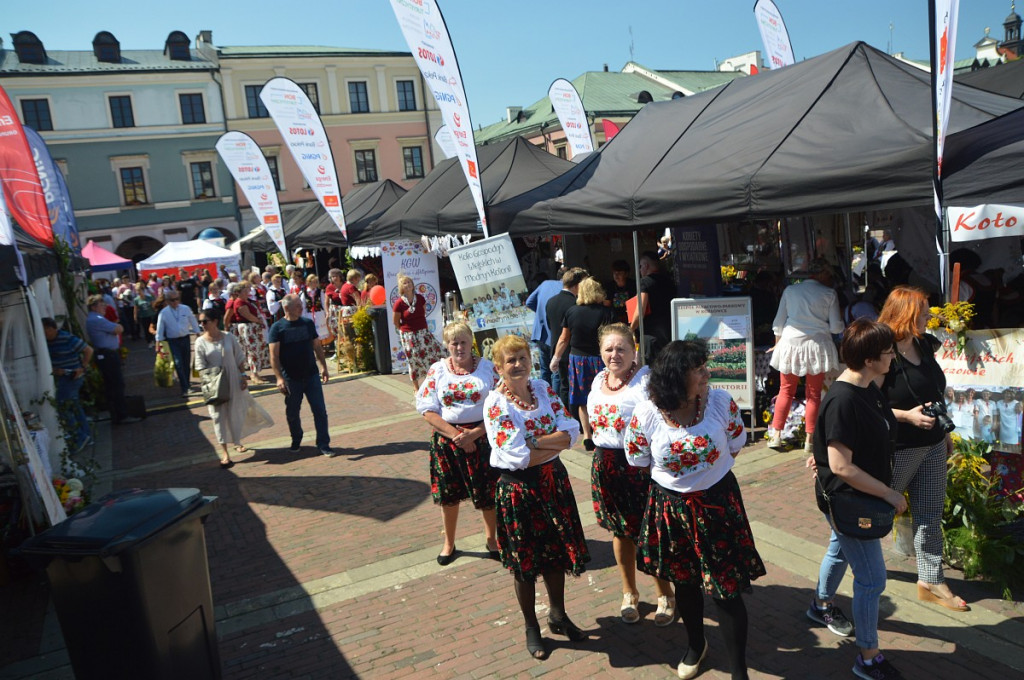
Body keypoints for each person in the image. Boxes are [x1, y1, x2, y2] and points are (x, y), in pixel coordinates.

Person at [624, 340, 762, 680]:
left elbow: (735, 442)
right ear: (674, 378)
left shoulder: (719, 402)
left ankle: (739, 671)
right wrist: (679, 482)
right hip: (672, 508)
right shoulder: (647, 413)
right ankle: (695, 644)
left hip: (718, 504)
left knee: (726, 589)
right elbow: (638, 459)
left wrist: (705, 477)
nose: (706, 374)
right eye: (697, 370)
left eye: (705, 367)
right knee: (684, 583)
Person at [809, 318, 908, 680]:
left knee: (838, 549)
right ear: (869, 359)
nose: (893, 357)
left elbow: (858, 429)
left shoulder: (866, 386)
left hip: (856, 498)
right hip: (852, 501)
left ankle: (820, 604)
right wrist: (889, 493)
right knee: (871, 580)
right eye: (887, 352)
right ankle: (867, 657)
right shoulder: (844, 397)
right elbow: (841, 466)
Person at [484, 334, 588, 660]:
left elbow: (572, 430)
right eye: (510, 361)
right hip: (519, 489)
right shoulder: (495, 404)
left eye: (522, 358)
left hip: (552, 481)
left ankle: (558, 614)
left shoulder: (542, 389)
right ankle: (531, 626)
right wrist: (548, 442)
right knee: (525, 563)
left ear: (531, 360)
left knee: (556, 553)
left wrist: (534, 441)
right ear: (499, 368)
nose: (517, 365)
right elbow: (515, 455)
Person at [877, 285, 968, 612]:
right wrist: (905, 417)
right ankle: (845, 567)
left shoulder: (923, 344)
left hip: (930, 445)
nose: (931, 316)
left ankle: (931, 579)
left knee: (930, 515)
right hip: (899, 449)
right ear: (905, 314)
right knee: (875, 515)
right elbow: (863, 403)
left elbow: (935, 389)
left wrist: (943, 430)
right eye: (924, 312)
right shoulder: (881, 350)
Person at [587, 323, 673, 624]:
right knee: (621, 532)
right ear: (600, 352)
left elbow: (664, 422)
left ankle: (665, 594)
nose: (615, 354)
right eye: (608, 349)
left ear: (634, 349)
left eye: (621, 348)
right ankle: (629, 592)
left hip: (641, 467)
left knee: (651, 532)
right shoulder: (599, 379)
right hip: (607, 465)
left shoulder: (646, 381)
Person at [416, 322, 501, 565]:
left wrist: (474, 434)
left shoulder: (488, 368)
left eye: (463, 341)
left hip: (482, 438)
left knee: (488, 492)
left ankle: (491, 539)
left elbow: (501, 407)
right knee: (448, 495)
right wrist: (456, 435)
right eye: (454, 342)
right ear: (446, 344)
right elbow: (427, 409)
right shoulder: (437, 370)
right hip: (447, 441)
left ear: (471, 341)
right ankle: (449, 543)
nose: (459, 347)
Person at [767, 261, 844, 452]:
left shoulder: (791, 291)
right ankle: (809, 439)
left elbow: (778, 323)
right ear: (824, 275)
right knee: (813, 393)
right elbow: (835, 327)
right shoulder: (829, 294)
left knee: (785, 390)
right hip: (816, 346)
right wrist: (842, 326)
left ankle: (776, 434)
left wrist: (777, 343)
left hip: (791, 344)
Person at [194, 307, 273, 468]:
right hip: (215, 385)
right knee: (218, 417)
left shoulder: (229, 337)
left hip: (234, 381)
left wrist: (243, 376)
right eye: (200, 322)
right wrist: (210, 382)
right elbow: (200, 367)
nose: (201, 324)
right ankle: (225, 452)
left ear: (215, 321)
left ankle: (237, 441)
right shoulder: (200, 342)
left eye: (204, 321)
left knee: (236, 412)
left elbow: (239, 358)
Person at [550, 277, 615, 449]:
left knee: (582, 398)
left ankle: (587, 435)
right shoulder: (606, 312)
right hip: (600, 360)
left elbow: (564, 339)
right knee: (603, 396)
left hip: (577, 360)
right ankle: (600, 431)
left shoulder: (571, 311)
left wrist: (556, 358)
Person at [269, 294, 333, 456]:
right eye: (297, 305)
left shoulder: (307, 323)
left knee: (319, 410)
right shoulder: (277, 328)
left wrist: (323, 367)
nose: (301, 307)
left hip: (311, 375)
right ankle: (296, 439)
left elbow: (317, 346)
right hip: (291, 378)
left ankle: (323, 443)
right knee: (292, 412)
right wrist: (279, 378)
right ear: (287, 308)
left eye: (300, 304)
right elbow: (274, 356)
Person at [85, 295, 139, 425]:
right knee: (116, 384)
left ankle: (116, 414)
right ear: (93, 306)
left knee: (112, 385)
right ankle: (121, 415)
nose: (104, 306)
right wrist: (117, 325)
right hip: (107, 355)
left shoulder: (94, 319)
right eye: (101, 304)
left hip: (106, 355)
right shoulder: (97, 319)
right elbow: (118, 329)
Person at [43, 318, 94, 452]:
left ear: (51, 328)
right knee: (75, 406)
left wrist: (82, 366)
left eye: (45, 330)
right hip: (63, 376)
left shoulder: (66, 338)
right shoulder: (45, 342)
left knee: (63, 406)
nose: (44, 333)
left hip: (72, 376)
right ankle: (86, 435)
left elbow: (88, 350)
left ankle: (79, 437)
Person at [393, 273, 445, 390]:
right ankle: (416, 387)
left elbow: (423, 312)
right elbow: (396, 321)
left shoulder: (420, 298)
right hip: (409, 335)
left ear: (413, 284)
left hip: (423, 331)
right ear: (401, 287)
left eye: (409, 282)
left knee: (433, 354)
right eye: (404, 283)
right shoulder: (399, 303)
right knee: (414, 359)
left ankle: (433, 381)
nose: (407, 285)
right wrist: (404, 330)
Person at [545, 267, 588, 408]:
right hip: (572, 351)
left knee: (564, 387)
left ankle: (564, 415)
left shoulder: (551, 301)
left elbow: (551, 326)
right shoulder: (575, 304)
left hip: (557, 349)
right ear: (576, 286)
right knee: (576, 388)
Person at [630, 252, 675, 363]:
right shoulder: (669, 281)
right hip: (668, 332)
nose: (640, 270)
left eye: (640, 266)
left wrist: (630, 329)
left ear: (646, 266)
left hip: (650, 336)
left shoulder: (644, 282)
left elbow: (640, 310)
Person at [155, 290, 201, 397]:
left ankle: (187, 384)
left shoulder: (185, 309)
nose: (175, 302)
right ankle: (184, 387)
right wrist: (158, 342)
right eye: (172, 300)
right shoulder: (164, 313)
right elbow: (160, 328)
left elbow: (193, 321)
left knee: (186, 362)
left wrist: (198, 333)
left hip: (185, 338)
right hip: (172, 341)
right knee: (178, 363)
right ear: (167, 301)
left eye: (177, 299)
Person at [526, 268, 566, 385]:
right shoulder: (566, 291)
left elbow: (529, 302)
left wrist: (540, 312)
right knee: (556, 371)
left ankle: (544, 397)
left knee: (545, 370)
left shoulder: (545, 284)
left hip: (540, 334)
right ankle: (554, 400)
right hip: (555, 336)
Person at [226, 282, 271, 384]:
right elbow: (247, 315)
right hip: (248, 328)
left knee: (256, 350)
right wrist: (258, 321)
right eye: (245, 290)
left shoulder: (245, 301)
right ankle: (254, 374)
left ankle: (256, 373)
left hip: (253, 328)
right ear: (239, 292)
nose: (248, 292)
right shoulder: (239, 302)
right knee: (252, 350)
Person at [606, 260, 636, 324]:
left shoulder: (633, 285)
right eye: (614, 273)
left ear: (626, 274)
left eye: (619, 273)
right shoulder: (609, 286)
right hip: (614, 320)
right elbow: (607, 304)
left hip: (631, 319)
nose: (616, 275)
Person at [133, 280, 158, 347]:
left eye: (140, 290)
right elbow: (135, 309)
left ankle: (155, 340)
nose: (139, 292)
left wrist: (156, 313)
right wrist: (135, 317)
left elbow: (153, 306)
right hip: (143, 316)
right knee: (146, 329)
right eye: (137, 291)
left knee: (153, 328)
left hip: (151, 315)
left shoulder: (149, 297)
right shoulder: (136, 300)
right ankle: (149, 341)